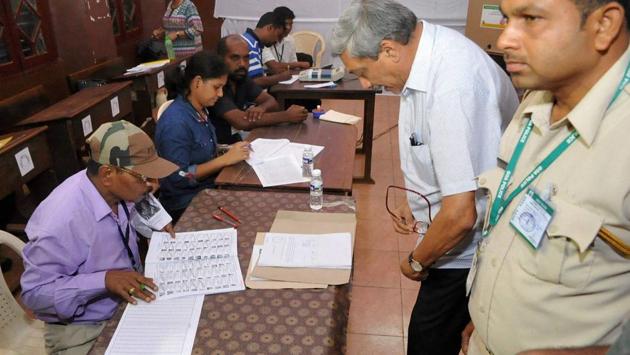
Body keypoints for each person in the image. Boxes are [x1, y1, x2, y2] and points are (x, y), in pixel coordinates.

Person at [331, 1, 519, 354]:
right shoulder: (425, 54)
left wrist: (416, 260)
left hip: (466, 253)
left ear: (388, 49)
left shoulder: (452, 85)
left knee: (427, 343)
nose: (367, 82)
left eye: (363, 70)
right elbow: (436, 148)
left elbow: (463, 215)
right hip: (451, 235)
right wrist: (419, 196)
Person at [462, 0, 630, 354]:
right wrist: (484, 318)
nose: (504, 39)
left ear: (604, 25)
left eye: (531, 19)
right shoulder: (540, 93)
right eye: (507, 19)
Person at [20, 120, 179, 354]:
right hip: (82, 328)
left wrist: (157, 219)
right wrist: (103, 281)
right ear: (107, 173)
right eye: (144, 177)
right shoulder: (60, 220)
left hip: (128, 302)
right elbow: (35, 295)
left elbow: (136, 204)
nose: (152, 184)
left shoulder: (114, 188)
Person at [155, 51, 250, 222]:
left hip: (207, 189)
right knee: (246, 211)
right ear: (197, 83)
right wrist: (225, 159)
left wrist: (229, 150)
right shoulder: (175, 123)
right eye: (216, 87)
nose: (220, 94)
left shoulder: (199, 109)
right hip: (185, 204)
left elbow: (201, 148)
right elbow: (180, 176)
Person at [211, 35, 308, 144]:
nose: (242, 64)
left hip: (235, 142)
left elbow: (272, 103)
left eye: (246, 58)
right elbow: (241, 121)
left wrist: (262, 108)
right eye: (235, 58)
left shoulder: (241, 78)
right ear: (220, 58)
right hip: (215, 150)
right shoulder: (214, 85)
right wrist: (287, 116)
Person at [242, 11, 292, 88]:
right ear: (270, 28)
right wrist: (281, 77)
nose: (277, 40)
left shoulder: (252, 41)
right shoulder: (249, 45)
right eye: (278, 35)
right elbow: (255, 82)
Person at [262, 6, 311, 74]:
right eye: (286, 24)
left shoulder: (290, 39)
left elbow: (294, 65)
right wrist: (299, 64)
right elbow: (274, 66)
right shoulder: (265, 40)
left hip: (286, 77)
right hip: (270, 78)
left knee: (308, 58)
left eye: (291, 24)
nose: (288, 28)